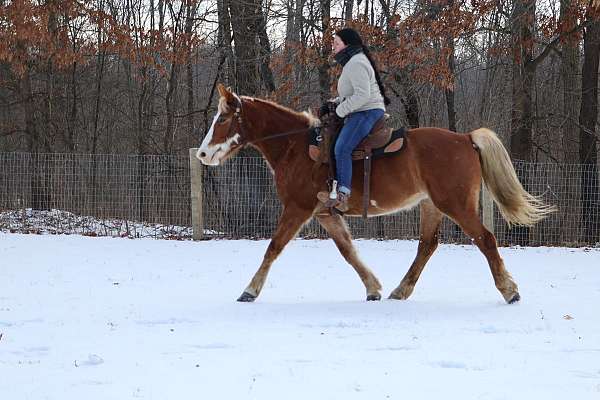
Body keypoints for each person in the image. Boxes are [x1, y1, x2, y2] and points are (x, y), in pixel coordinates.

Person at [317, 27, 391, 212]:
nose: (333, 47)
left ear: (347, 44)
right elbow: (351, 94)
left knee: (342, 147)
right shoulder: (352, 62)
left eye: (336, 43)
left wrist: (339, 112)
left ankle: (343, 195)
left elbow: (363, 96)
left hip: (367, 111)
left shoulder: (356, 63)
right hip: (360, 109)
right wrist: (332, 103)